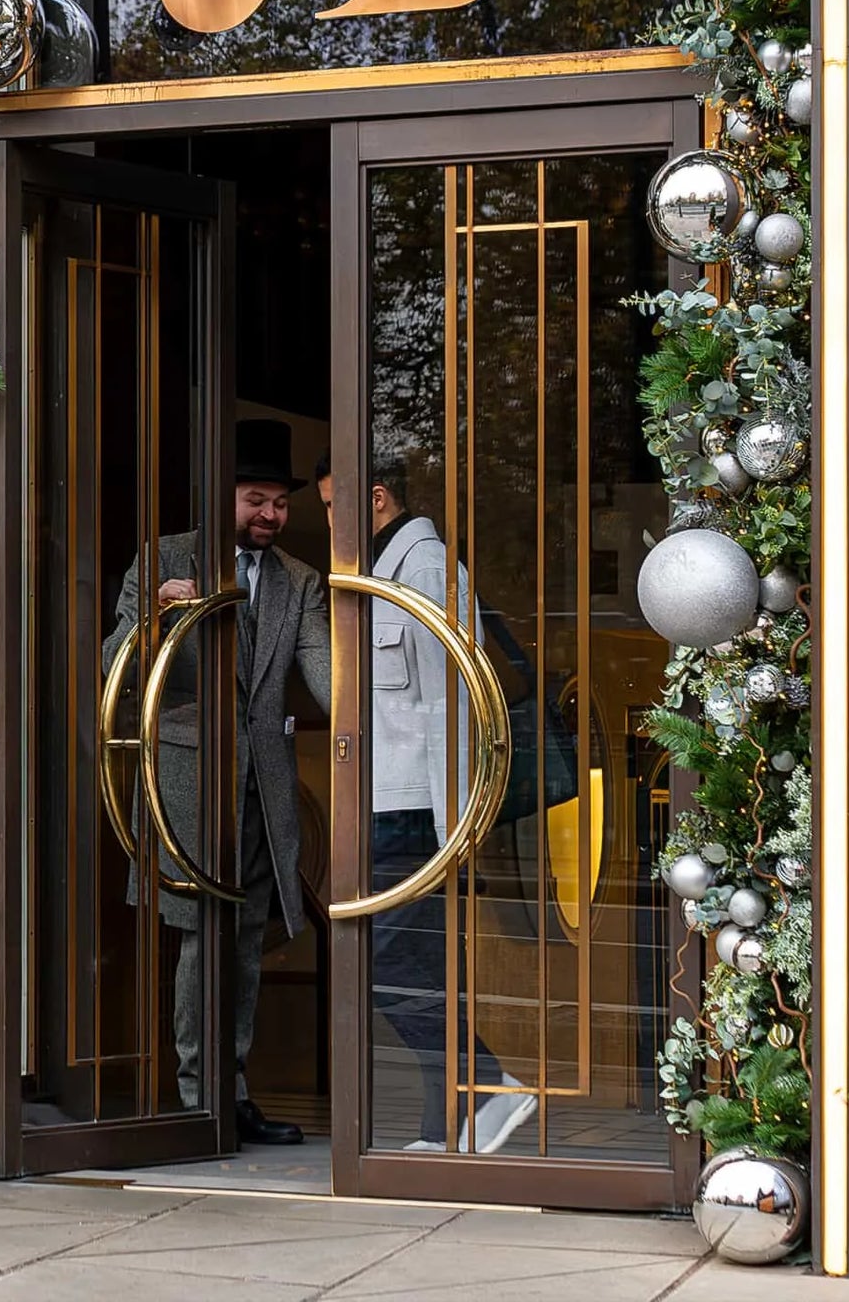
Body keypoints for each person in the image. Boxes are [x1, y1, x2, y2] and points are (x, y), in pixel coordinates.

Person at [104, 418, 328, 1146]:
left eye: (280, 504)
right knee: (203, 937)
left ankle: (231, 1093)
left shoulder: (300, 581)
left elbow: (326, 673)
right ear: (221, 498)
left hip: (265, 788)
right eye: (255, 499)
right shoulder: (162, 558)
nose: (269, 515)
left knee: (244, 944)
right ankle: (198, 1100)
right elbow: (112, 671)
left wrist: (373, 720)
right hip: (186, 787)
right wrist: (155, 622)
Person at [316, 453, 537, 1156]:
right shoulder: (388, 571)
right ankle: (448, 1123)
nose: (326, 521)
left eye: (330, 505)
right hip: (387, 803)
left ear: (373, 497)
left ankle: (490, 1083)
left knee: (380, 962)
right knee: (414, 962)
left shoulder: (426, 569)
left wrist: (455, 825)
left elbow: (451, 705)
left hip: (413, 808)